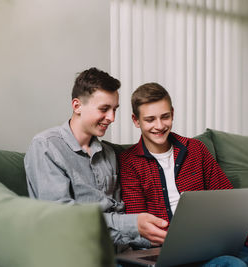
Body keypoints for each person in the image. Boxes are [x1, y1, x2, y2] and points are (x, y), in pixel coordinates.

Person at [118, 82, 248, 265]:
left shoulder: (195, 149)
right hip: (170, 250)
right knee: (232, 264)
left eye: (165, 117)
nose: (159, 126)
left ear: (173, 114)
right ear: (136, 121)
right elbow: (139, 223)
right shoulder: (129, 162)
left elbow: (228, 198)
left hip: (215, 237)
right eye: (150, 119)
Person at [25, 67, 155, 250]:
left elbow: (118, 213)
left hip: (116, 253)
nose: (111, 118)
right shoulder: (46, 146)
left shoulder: (108, 154)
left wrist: (151, 239)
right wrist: (133, 224)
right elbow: (63, 219)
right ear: (77, 106)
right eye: (104, 109)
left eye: (114, 109)